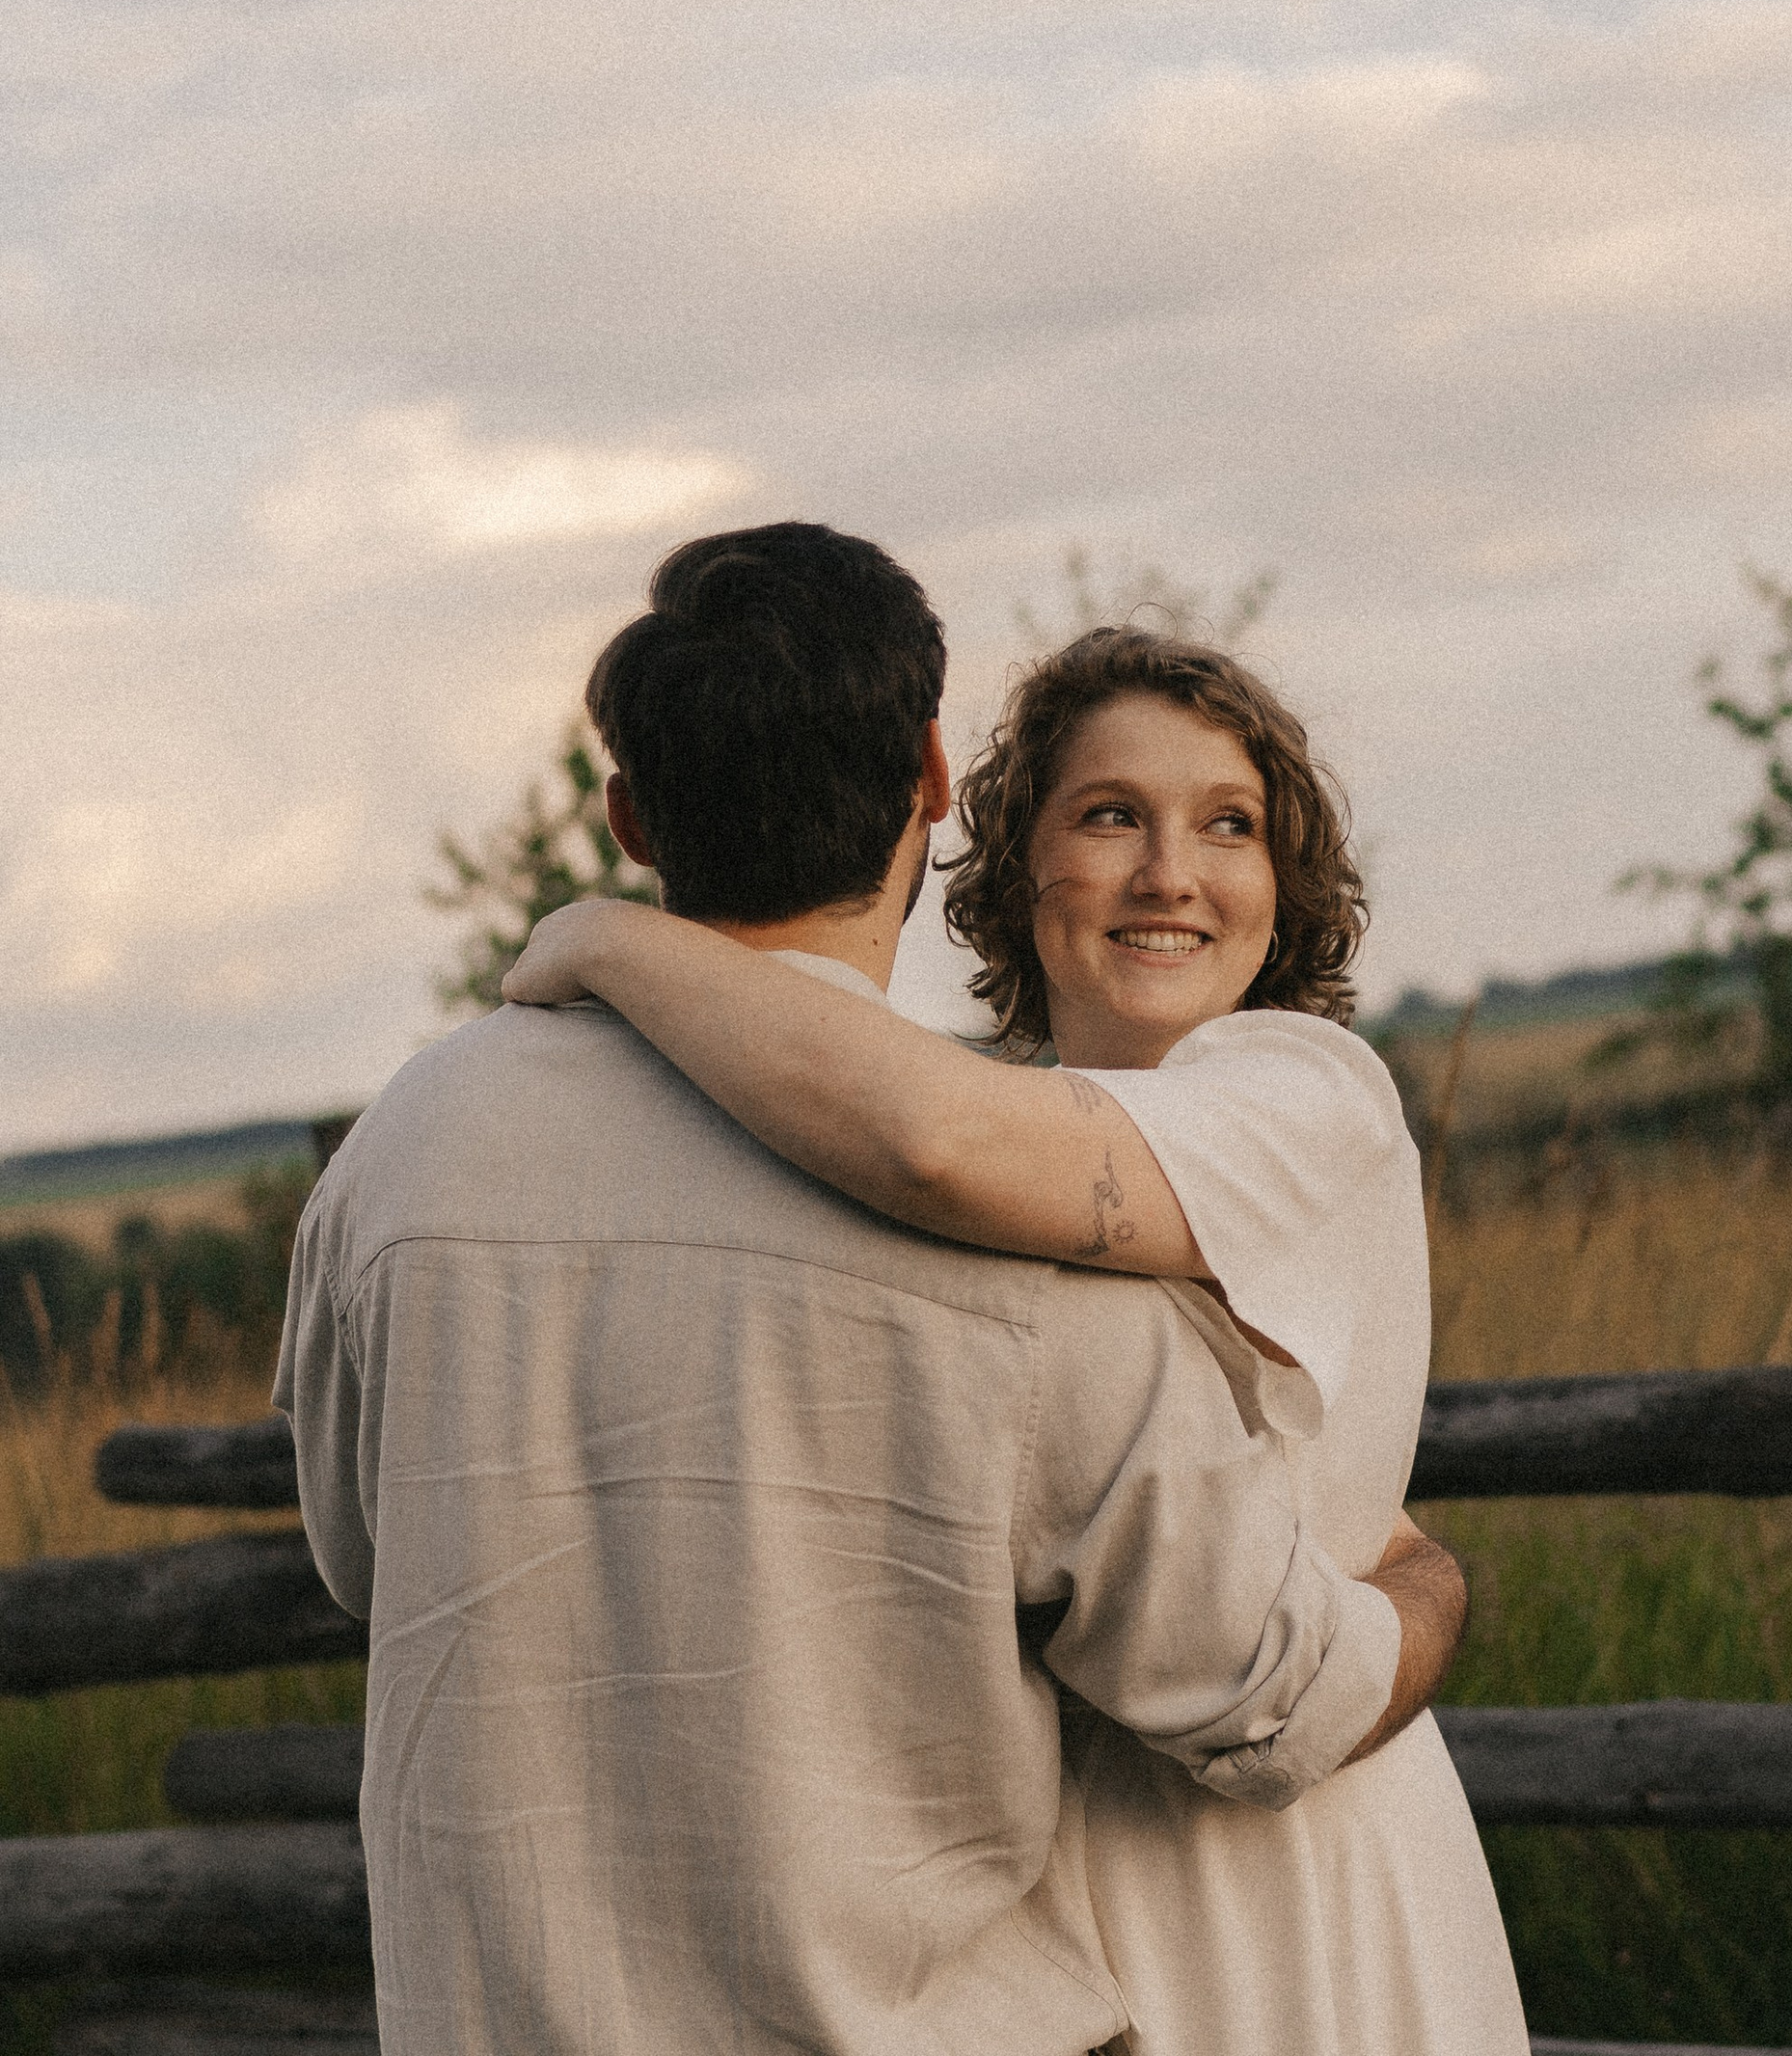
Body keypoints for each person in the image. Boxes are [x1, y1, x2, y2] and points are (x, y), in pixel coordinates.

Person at [278, 526, 1467, 2056]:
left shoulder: (398, 1162)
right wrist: (1432, 1588)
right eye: (1114, 814)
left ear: (632, 814)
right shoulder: (1025, 1259)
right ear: (931, 779)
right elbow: (1266, 1695)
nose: (1171, 868)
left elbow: (370, 1561)